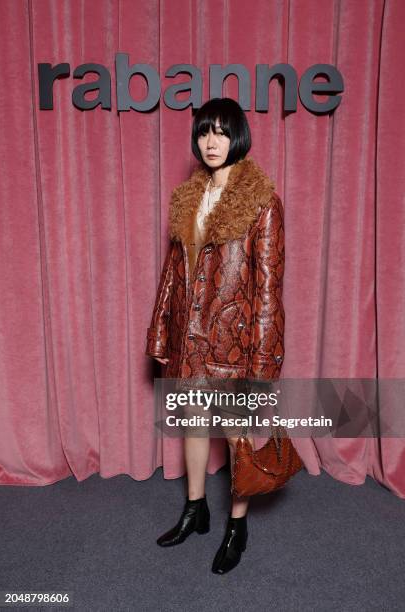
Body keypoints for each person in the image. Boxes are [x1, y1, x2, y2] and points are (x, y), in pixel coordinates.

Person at [145, 97, 285, 574]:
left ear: (238, 137)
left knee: (237, 434)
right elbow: (172, 273)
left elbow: (268, 287)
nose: (211, 141)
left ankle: (236, 526)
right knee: (193, 424)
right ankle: (195, 509)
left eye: (222, 132)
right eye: (205, 131)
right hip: (190, 335)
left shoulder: (262, 201)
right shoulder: (188, 197)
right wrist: (162, 331)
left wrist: (264, 361)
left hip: (235, 342)